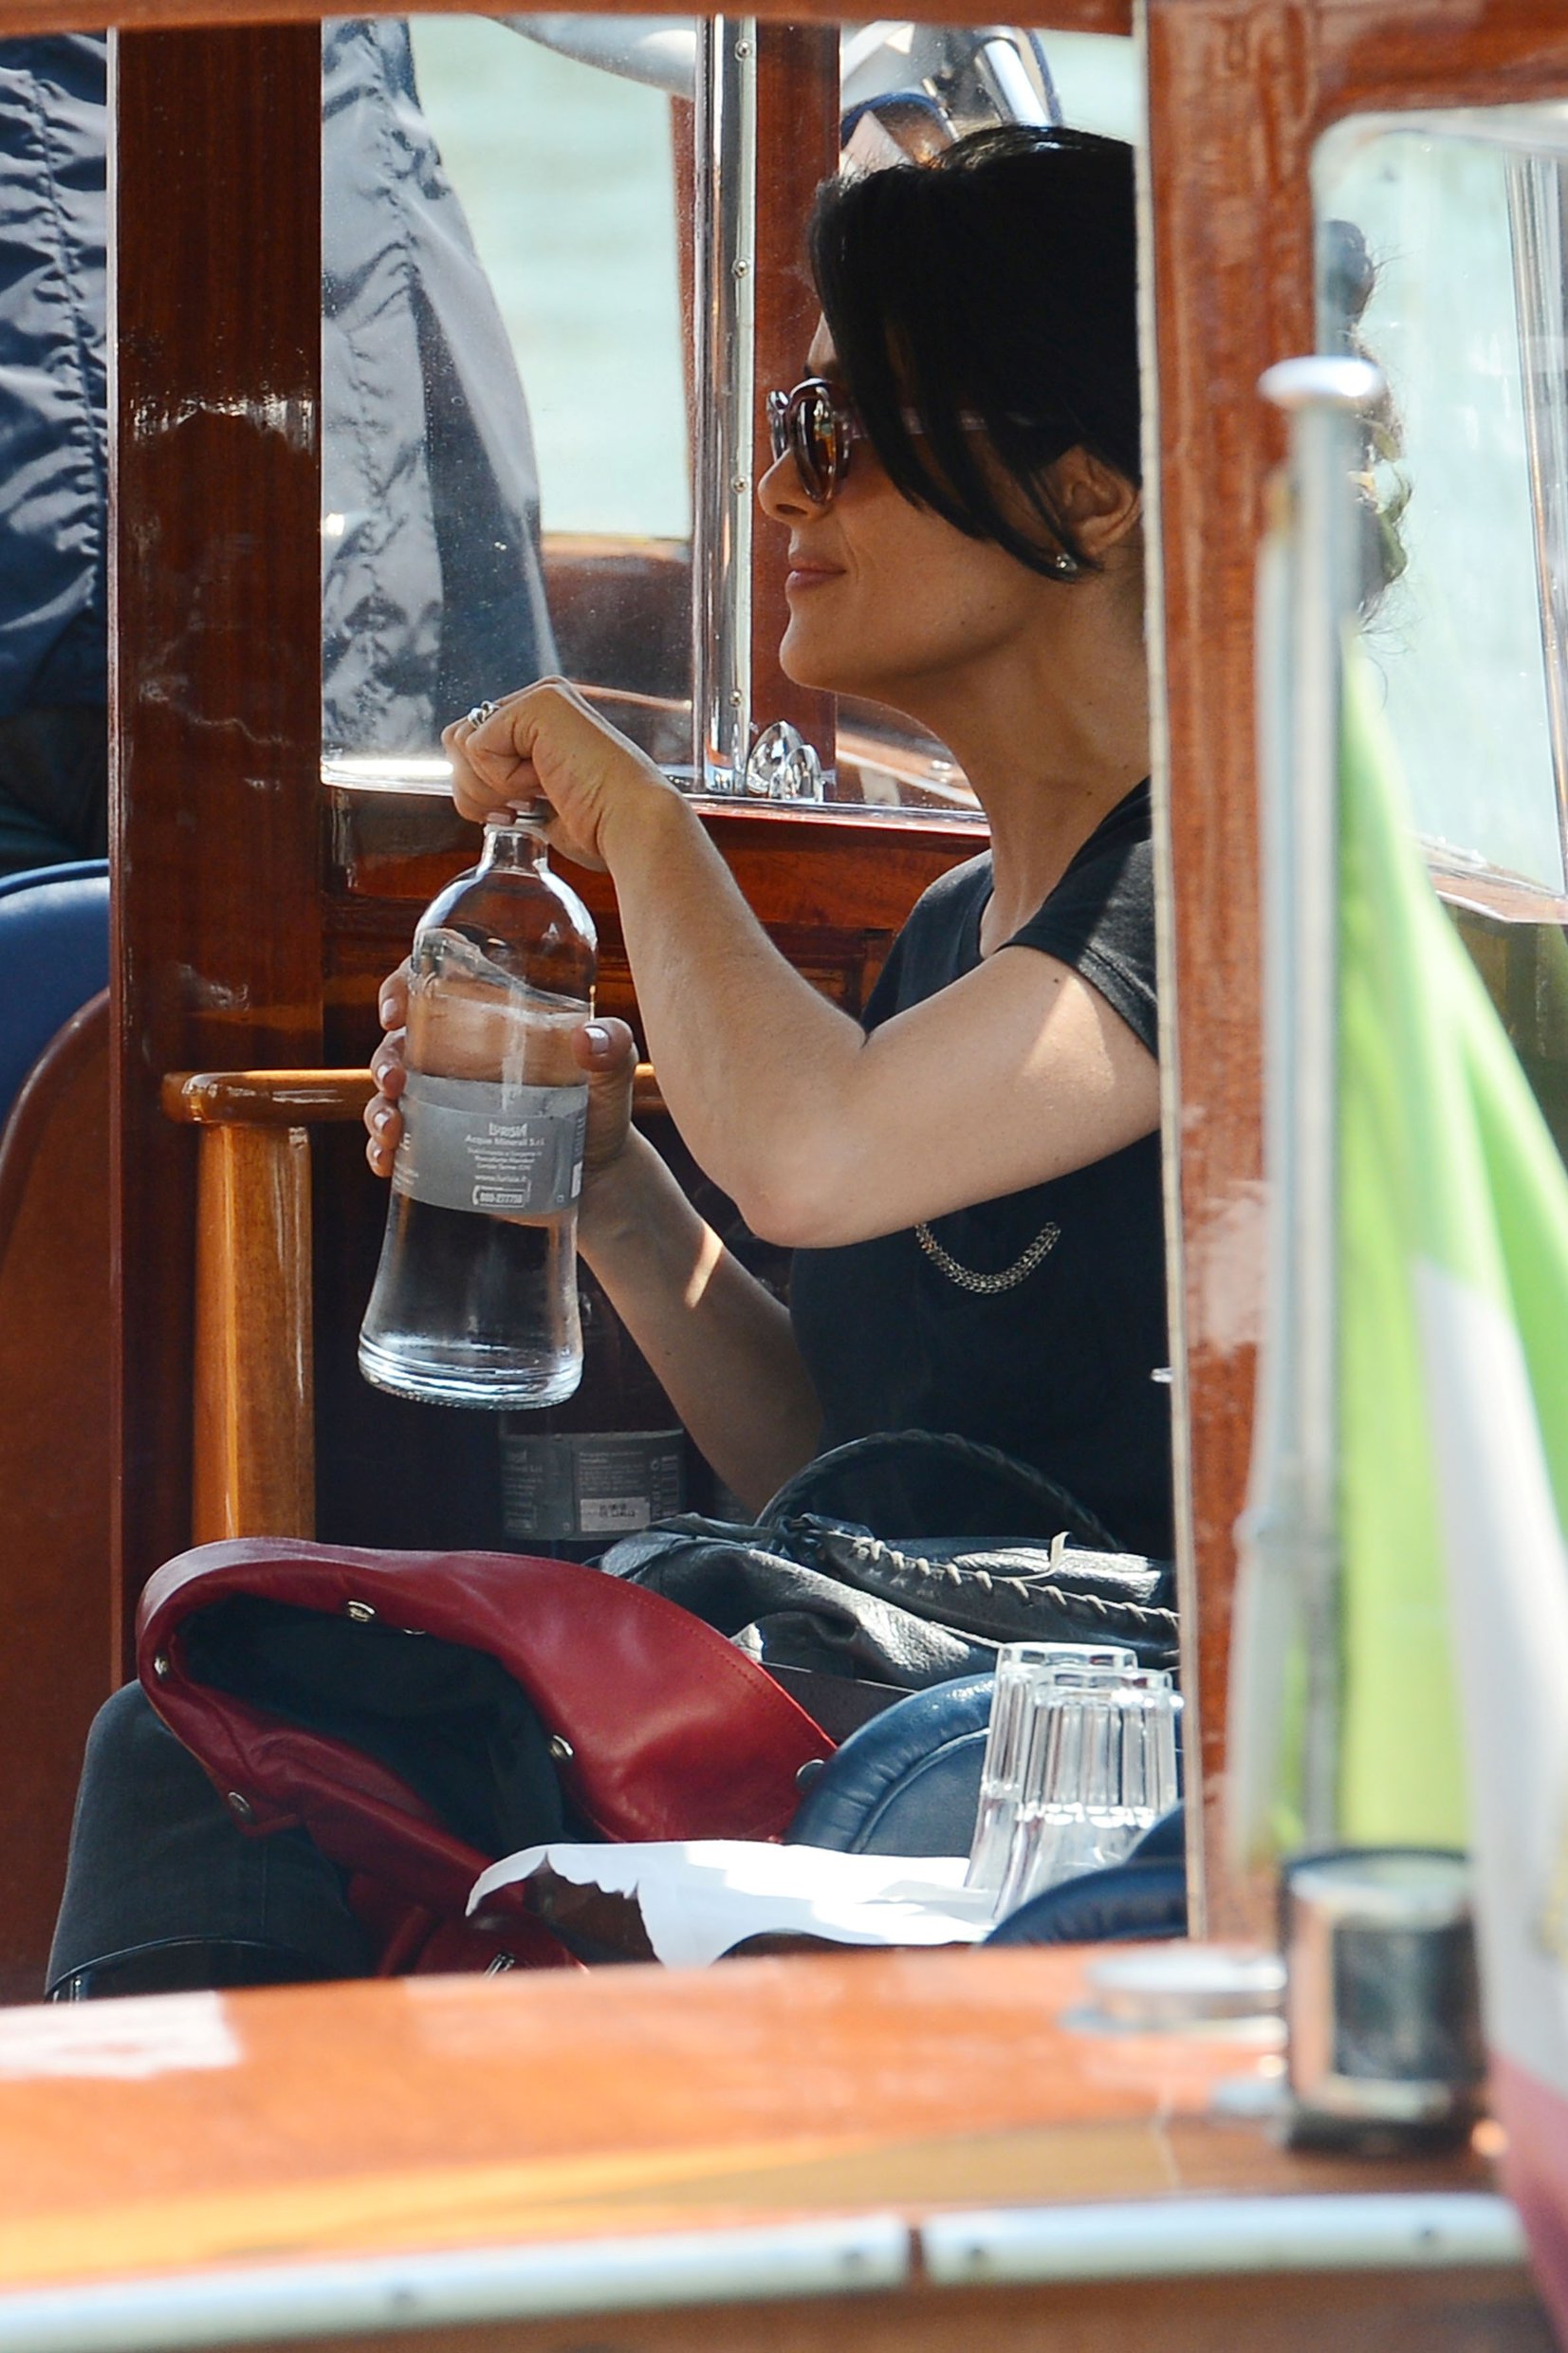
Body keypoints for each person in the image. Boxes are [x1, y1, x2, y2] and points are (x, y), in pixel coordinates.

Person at [47, 125, 1170, 2000]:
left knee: (776, 1813)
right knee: (196, 1748)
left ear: (1085, 488)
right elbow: (831, 1456)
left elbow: (811, 1155)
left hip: (1085, 1748)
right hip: (874, 1662)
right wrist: (616, 1187)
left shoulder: (1233, 890)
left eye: (834, 431)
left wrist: (634, 823)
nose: (772, 485)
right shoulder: (951, 935)